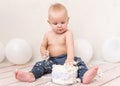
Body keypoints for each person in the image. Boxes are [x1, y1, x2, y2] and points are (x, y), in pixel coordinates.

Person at [15, 3, 98, 84]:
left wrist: (70, 59)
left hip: (66, 58)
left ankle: (84, 76)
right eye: (55, 23)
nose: (59, 26)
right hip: (52, 61)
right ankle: (31, 75)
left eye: (62, 22)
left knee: (79, 63)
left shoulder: (68, 33)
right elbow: (43, 46)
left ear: (68, 20)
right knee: (40, 65)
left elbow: (70, 47)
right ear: (49, 22)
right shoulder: (47, 35)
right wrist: (43, 51)